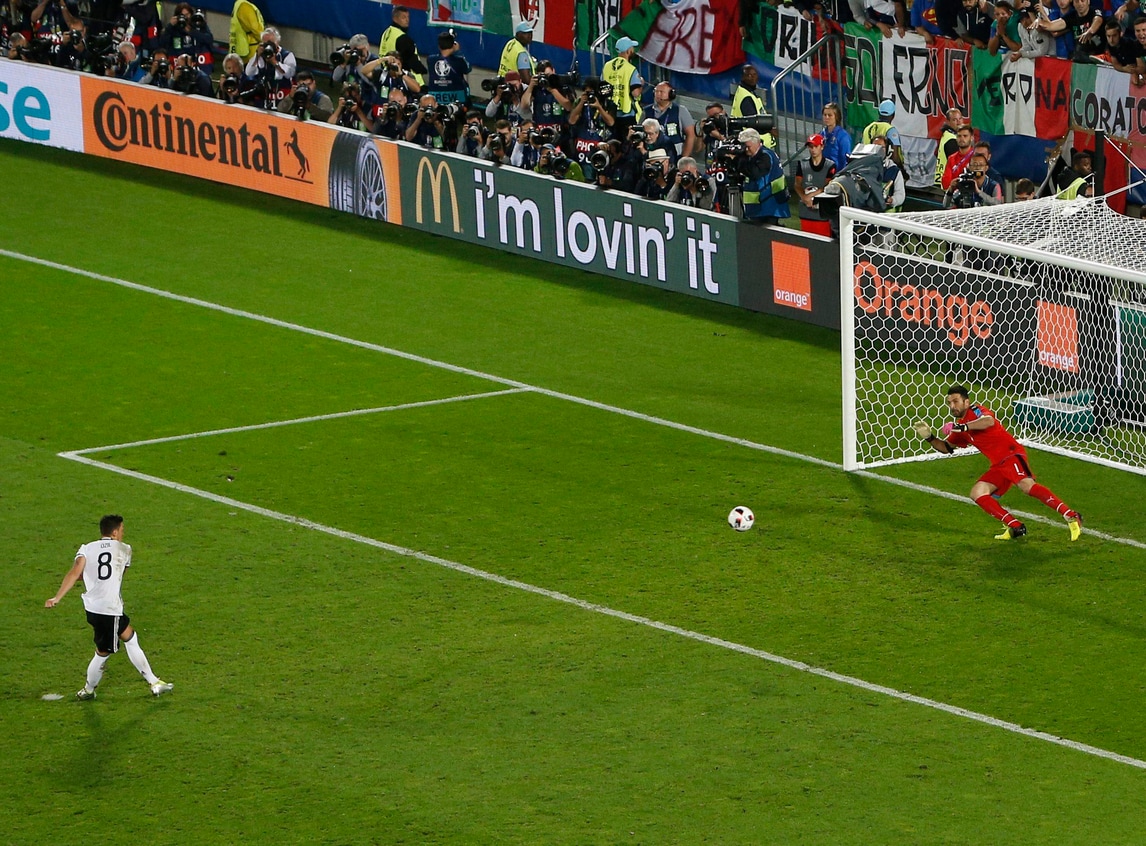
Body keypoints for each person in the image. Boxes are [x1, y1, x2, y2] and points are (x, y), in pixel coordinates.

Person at [914, 387, 1083, 541]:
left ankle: (1071, 515)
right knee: (977, 493)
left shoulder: (976, 411)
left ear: (966, 402)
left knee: (1027, 486)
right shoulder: (959, 428)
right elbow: (946, 448)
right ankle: (1016, 526)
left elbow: (989, 421)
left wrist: (964, 427)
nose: (952, 406)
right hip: (998, 465)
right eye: (949, 403)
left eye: (955, 401)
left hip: (1011, 455)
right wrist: (929, 437)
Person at [45, 515, 175, 699]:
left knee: (130, 637)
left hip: (93, 607)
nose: (122, 533)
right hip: (108, 609)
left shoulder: (86, 548)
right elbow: (119, 573)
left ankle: (154, 682)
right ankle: (88, 690)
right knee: (102, 652)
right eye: (121, 530)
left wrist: (57, 597)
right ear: (114, 532)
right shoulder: (124, 549)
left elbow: (76, 573)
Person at [739, 127, 789, 226]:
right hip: (760, 206)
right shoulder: (754, 155)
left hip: (768, 205)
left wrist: (738, 161)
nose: (746, 149)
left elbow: (755, 173)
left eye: (747, 146)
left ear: (756, 142)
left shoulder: (766, 155)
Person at [794, 134, 837, 236]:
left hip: (822, 213)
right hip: (805, 212)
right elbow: (797, 184)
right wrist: (804, 197)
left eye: (816, 146)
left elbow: (828, 186)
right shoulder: (802, 164)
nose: (813, 149)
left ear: (822, 147)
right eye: (810, 147)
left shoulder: (830, 165)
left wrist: (811, 195)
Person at [642, 81, 696, 161]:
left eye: (661, 92)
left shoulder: (680, 110)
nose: (658, 94)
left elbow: (691, 135)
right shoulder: (646, 111)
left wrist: (684, 158)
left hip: (675, 156)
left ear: (671, 94)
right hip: (652, 156)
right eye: (656, 91)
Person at [603, 36, 643, 137]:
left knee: (612, 142)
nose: (633, 50)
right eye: (632, 48)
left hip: (609, 113)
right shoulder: (630, 69)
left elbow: (602, 87)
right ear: (628, 50)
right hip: (627, 114)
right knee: (627, 143)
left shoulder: (607, 66)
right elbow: (635, 93)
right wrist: (641, 84)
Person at [379, 4, 425, 86]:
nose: (407, 20)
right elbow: (412, 63)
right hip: (409, 81)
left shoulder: (386, 32)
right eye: (403, 17)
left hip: (389, 75)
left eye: (408, 17)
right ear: (395, 19)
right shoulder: (403, 38)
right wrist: (422, 70)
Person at [426, 28, 470, 107]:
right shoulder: (459, 60)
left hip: (436, 100)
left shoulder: (430, 59)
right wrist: (458, 52)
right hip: (457, 99)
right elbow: (468, 69)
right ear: (453, 45)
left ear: (439, 46)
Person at [498, 19, 535, 84]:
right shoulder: (521, 53)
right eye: (525, 33)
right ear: (518, 34)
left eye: (530, 33)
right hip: (515, 85)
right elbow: (526, 79)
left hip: (503, 81)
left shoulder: (510, 43)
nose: (529, 36)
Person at [940, 123, 975, 189]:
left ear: (971, 138)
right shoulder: (951, 158)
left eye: (965, 136)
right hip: (954, 194)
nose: (962, 139)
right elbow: (945, 184)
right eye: (959, 136)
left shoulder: (976, 157)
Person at [820, 102, 853, 172]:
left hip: (836, 174)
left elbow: (845, 159)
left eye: (830, 115)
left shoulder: (843, 136)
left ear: (836, 117)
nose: (826, 117)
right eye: (825, 115)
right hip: (822, 173)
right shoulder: (822, 134)